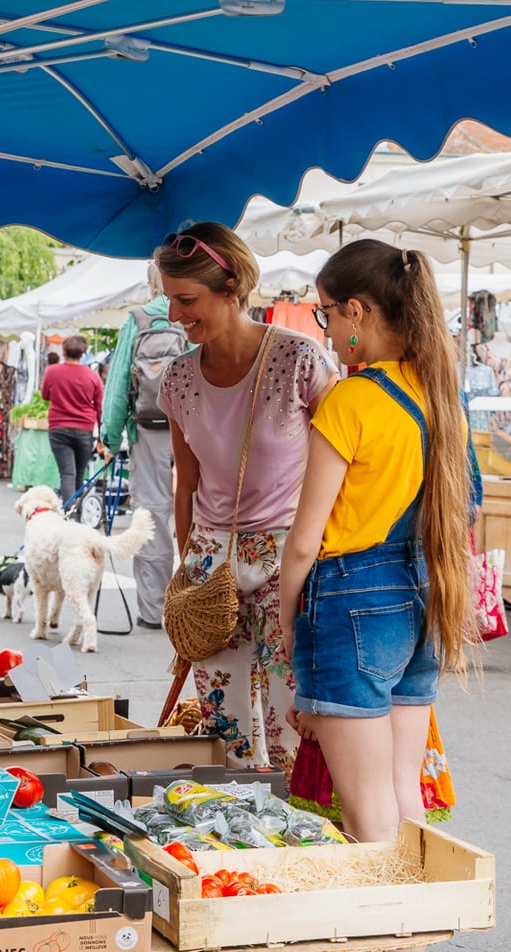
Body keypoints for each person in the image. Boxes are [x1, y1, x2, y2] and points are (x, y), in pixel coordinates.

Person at [279, 240, 475, 842]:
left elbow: (304, 542)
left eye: (327, 313)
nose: (326, 328)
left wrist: (290, 631)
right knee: (403, 796)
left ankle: (386, 905)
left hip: (351, 601)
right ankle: (419, 903)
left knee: (366, 812)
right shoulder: (440, 394)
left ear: (358, 311)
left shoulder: (352, 398)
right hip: (424, 592)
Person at [158, 222, 335, 770]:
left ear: (231, 287)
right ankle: (233, 818)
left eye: (187, 300)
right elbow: (186, 485)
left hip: (291, 555)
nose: (174, 315)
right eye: (169, 300)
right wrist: (188, 569)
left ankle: (296, 817)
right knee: (223, 724)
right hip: (211, 560)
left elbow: (342, 469)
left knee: (292, 716)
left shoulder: (300, 360)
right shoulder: (178, 378)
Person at [101, 266, 184, 631]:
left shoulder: (137, 320)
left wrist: (110, 437)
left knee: (151, 516)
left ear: (151, 284)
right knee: (201, 515)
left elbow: (118, 383)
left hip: (147, 430)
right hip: (194, 430)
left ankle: (153, 610)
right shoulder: (196, 316)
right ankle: (199, 607)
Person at [41, 335, 103, 506]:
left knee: (67, 473)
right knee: (79, 474)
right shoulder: (92, 376)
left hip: (59, 427)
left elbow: (45, 395)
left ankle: (69, 514)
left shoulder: (52, 372)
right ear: (83, 353)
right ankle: (77, 513)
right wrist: (102, 436)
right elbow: (100, 407)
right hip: (84, 429)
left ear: (63, 351)